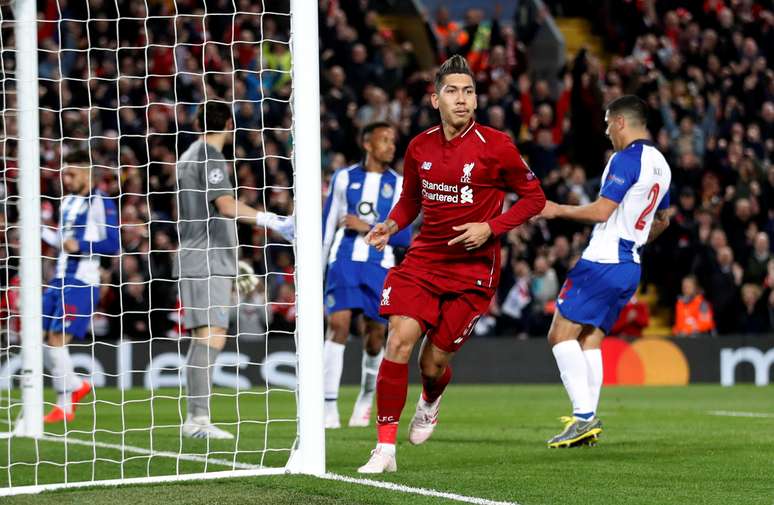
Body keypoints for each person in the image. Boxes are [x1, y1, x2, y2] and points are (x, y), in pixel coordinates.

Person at [357, 55, 546, 473]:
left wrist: (491, 227)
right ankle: (385, 449)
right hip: (424, 260)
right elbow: (410, 201)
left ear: (476, 100)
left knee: (432, 363)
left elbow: (535, 198)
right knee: (398, 340)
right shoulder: (419, 145)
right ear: (434, 99)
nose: (461, 99)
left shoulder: (496, 146)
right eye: (452, 91)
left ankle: (430, 398)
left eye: (468, 91)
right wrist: (390, 224)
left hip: (473, 270)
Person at [540, 95, 672, 447]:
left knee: (560, 335)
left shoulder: (625, 159)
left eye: (607, 123)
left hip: (602, 260)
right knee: (590, 338)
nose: (605, 130)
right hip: (630, 266)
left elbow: (601, 212)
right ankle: (588, 418)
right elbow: (664, 219)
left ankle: (583, 417)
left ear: (619, 122)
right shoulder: (661, 163)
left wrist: (555, 209)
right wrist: (637, 240)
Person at [175, 100, 293, 439]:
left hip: (207, 254)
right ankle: (197, 420)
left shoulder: (187, 157)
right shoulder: (209, 156)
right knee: (209, 335)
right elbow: (225, 205)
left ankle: (197, 417)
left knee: (208, 334)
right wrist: (272, 220)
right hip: (206, 256)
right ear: (229, 122)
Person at [321, 122, 411, 429]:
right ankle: (327, 406)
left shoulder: (399, 184)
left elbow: (404, 237)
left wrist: (366, 226)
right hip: (343, 259)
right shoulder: (344, 177)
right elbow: (327, 223)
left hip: (379, 266)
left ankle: (365, 397)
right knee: (338, 325)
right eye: (384, 140)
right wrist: (314, 272)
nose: (391, 145)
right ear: (367, 143)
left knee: (375, 339)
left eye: (393, 140)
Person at [40, 150, 120, 423]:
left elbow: (113, 244)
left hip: (82, 280)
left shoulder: (101, 202)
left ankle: (65, 404)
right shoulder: (68, 202)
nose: (66, 178)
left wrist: (83, 246)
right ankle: (76, 386)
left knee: (56, 340)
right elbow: (62, 242)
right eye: (64, 173)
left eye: (71, 173)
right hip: (58, 277)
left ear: (87, 173)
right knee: (39, 337)